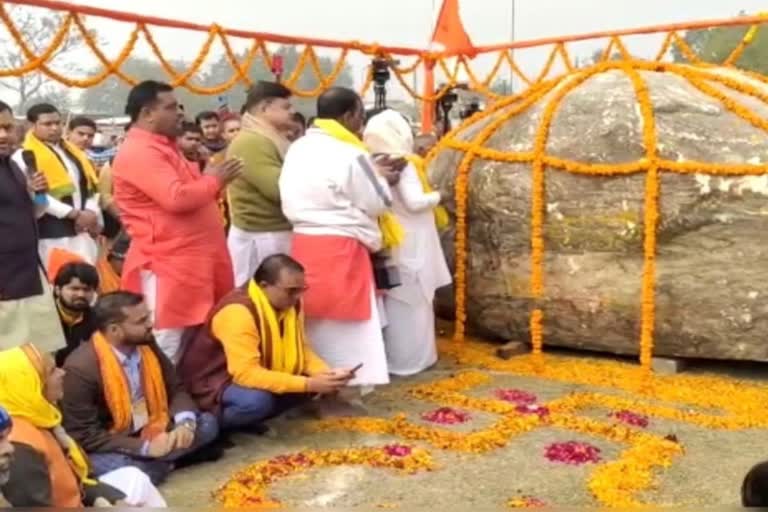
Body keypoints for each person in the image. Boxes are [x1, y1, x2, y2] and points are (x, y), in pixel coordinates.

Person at [279, 87, 405, 396]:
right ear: (348, 116)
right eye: (360, 118)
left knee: (311, 314)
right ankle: (345, 385)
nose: (361, 125)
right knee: (349, 324)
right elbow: (375, 202)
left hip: (304, 242)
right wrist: (383, 182)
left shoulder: (298, 147)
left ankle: (314, 379)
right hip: (342, 243)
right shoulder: (349, 152)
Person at [112, 80, 242, 363]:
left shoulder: (165, 147)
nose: (180, 113)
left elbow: (194, 192)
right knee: (166, 340)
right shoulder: (141, 151)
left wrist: (210, 178)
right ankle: (157, 401)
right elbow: (176, 198)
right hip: (168, 262)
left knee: (190, 339)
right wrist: (215, 180)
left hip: (191, 260)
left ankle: (180, 400)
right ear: (147, 113)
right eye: (170, 107)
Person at [61, 292, 221, 485]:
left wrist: (184, 425)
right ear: (114, 330)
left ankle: (163, 461)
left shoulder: (146, 343)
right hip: (114, 442)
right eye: (141, 321)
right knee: (130, 469)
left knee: (208, 423)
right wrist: (146, 447)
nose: (150, 324)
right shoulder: (80, 368)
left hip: (153, 424)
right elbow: (85, 435)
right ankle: (168, 462)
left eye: (148, 316)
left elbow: (176, 388)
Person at [179, 254, 354, 429]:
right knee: (256, 403)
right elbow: (245, 374)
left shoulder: (291, 303)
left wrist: (326, 374)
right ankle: (215, 425)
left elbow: (301, 349)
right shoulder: (238, 313)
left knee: (314, 384)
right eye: (291, 290)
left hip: (258, 370)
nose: (297, 296)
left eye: (302, 289)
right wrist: (309, 384)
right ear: (264, 286)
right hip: (216, 381)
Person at [0, 344, 166, 507]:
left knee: (135, 478)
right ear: (31, 385)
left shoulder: (40, 417)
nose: (62, 372)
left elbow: (78, 482)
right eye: (51, 371)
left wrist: (113, 500)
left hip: (79, 501)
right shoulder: (17, 444)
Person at [363, 110, 452, 376]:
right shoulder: (405, 163)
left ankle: (398, 360)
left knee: (398, 301)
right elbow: (414, 203)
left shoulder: (369, 162)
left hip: (392, 239)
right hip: (412, 241)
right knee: (415, 303)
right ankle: (414, 361)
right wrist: (440, 195)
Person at [0, 100, 65, 353]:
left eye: (7, 127)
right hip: (4, 281)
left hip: (27, 272)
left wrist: (37, 193)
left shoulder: (13, 165)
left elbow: (33, 213)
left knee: (39, 356)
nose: (3, 135)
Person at [13, 103, 101, 268]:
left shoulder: (74, 152)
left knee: (86, 285)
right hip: (50, 234)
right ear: (32, 125)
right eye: (47, 124)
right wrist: (73, 214)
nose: (54, 128)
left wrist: (90, 212)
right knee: (58, 285)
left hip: (81, 231)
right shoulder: (24, 155)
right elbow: (36, 195)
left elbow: (88, 186)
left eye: (58, 123)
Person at [227, 81, 296, 286]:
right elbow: (279, 189)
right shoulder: (251, 142)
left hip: (274, 233)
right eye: (286, 107)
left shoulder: (271, 138)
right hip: (262, 236)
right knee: (260, 299)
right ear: (265, 108)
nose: (292, 112)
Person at [49, 257, 99, 367]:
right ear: (57, 290)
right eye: (74, 289)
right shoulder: (44, 318)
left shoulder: (98, 321)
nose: (81, 294)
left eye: (87, 290)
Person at [96, 231, 130, 295]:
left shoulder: (134, 274)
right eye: (122, 260)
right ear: (112, 258)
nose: (126, 264)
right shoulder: (100, 272)